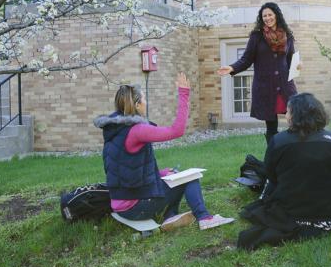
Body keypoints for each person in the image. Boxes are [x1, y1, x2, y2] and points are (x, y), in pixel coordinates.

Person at [94, 73, 234, 231]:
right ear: (138, 105)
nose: (147, 103)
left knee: (171, 176)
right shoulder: (137, 130)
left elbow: (128, 168)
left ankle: (170, 216)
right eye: (145, 99)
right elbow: (177, 130)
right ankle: (204, 218)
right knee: (190, 177)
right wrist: (184, 93)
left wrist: (161, 173)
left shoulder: (115, 129)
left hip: (121, 204)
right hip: (136, 207)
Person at [237, 93, 331, 250]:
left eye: (288, 111)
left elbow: (271, 176)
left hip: (290, 212)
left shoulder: (278, 141)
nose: (286, 115)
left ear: (295, 115)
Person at [217, 2, 298, 145]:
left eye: (270, 14)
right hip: (266, 87)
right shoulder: (257, 37)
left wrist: (298, 65)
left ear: (276, 15)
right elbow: (246, 59)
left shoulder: (288, 35)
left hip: (285, 85)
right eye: (264, 16)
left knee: (296, 118)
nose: (267, 18)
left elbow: (291, 59)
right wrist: (232, 68)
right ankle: (273, 155)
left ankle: (293, 151)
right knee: (271, 126)